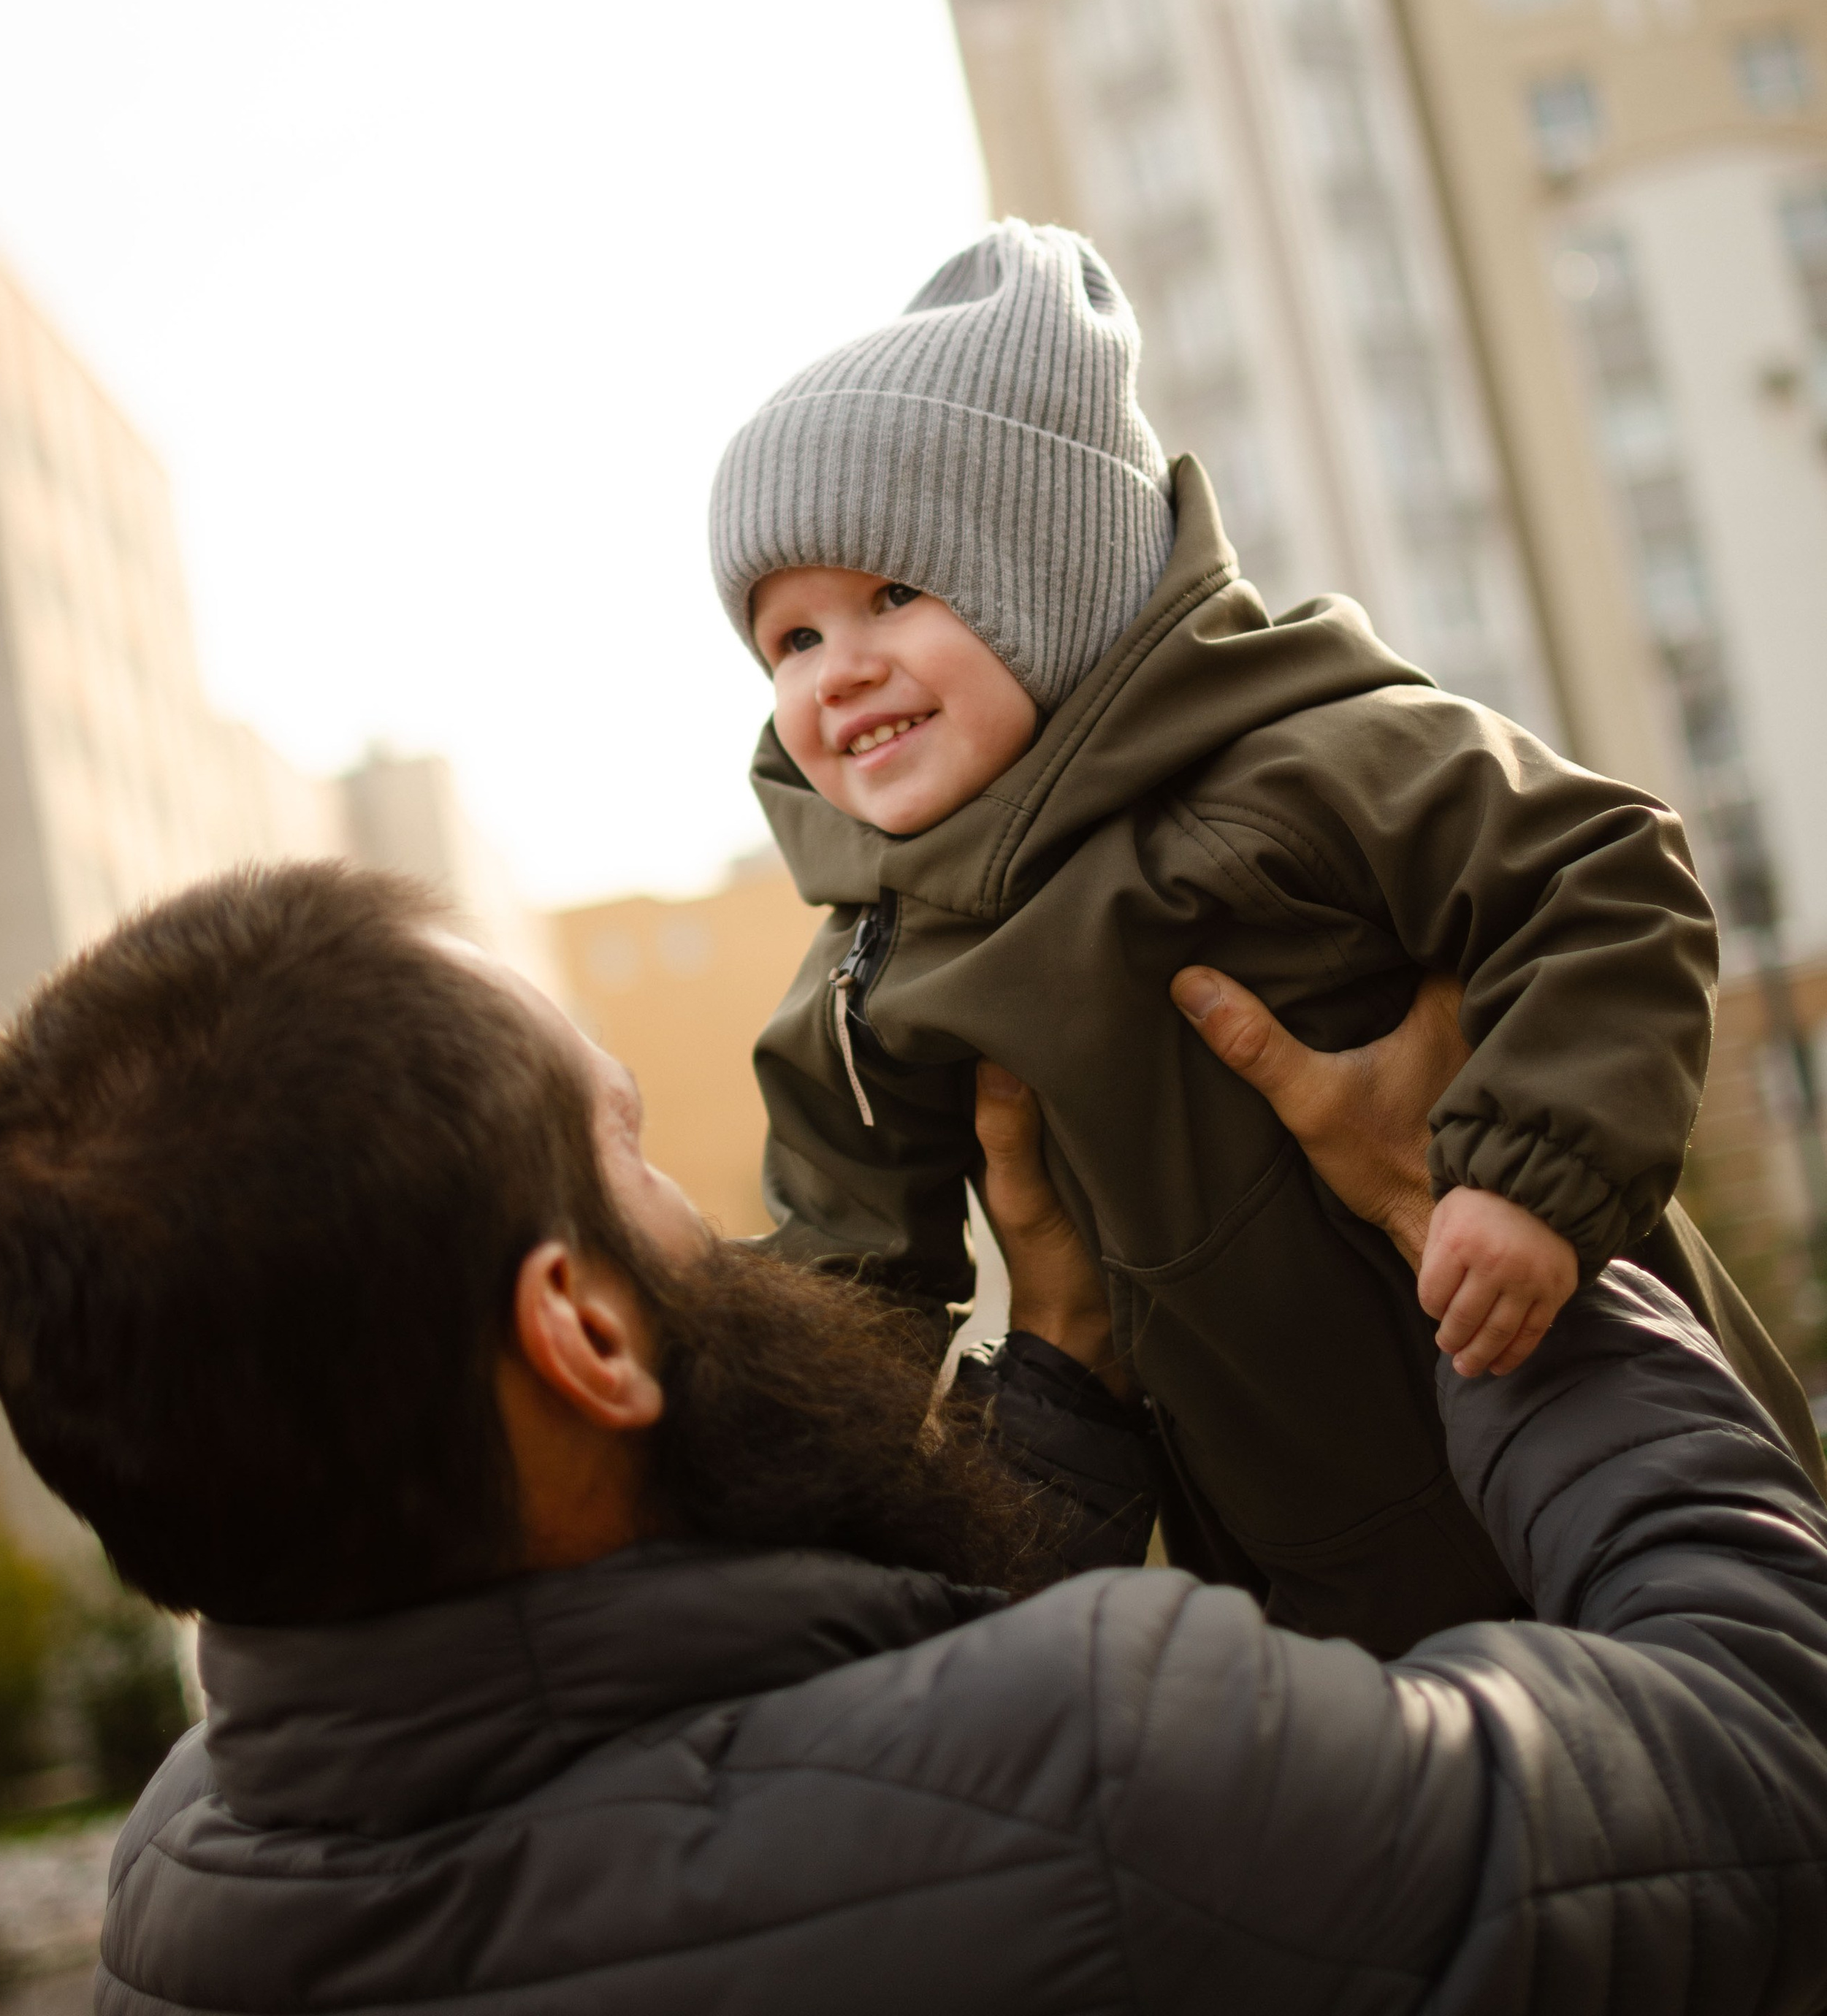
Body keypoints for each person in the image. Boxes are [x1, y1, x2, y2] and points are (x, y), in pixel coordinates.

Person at [0, 860, 1827, 2015]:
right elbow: (1764, 1747)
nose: (685, 1200)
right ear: (580, 1330)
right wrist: (1478, 1239)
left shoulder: (186, 1889)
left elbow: (834, 1796)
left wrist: (1069, 1393)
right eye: (624, 1149)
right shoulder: (1128, 1781)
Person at [709, 218, 1825, 1650]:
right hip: (1312, 1586)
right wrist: (752, 1478)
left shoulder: (1288, 759)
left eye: (890, 594)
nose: (836, 668)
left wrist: (1525, 1171)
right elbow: (837, 1257)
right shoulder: (877, 964)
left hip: (1559, 1384)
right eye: (786, 639)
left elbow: (1596, 871)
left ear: (1045, 576)